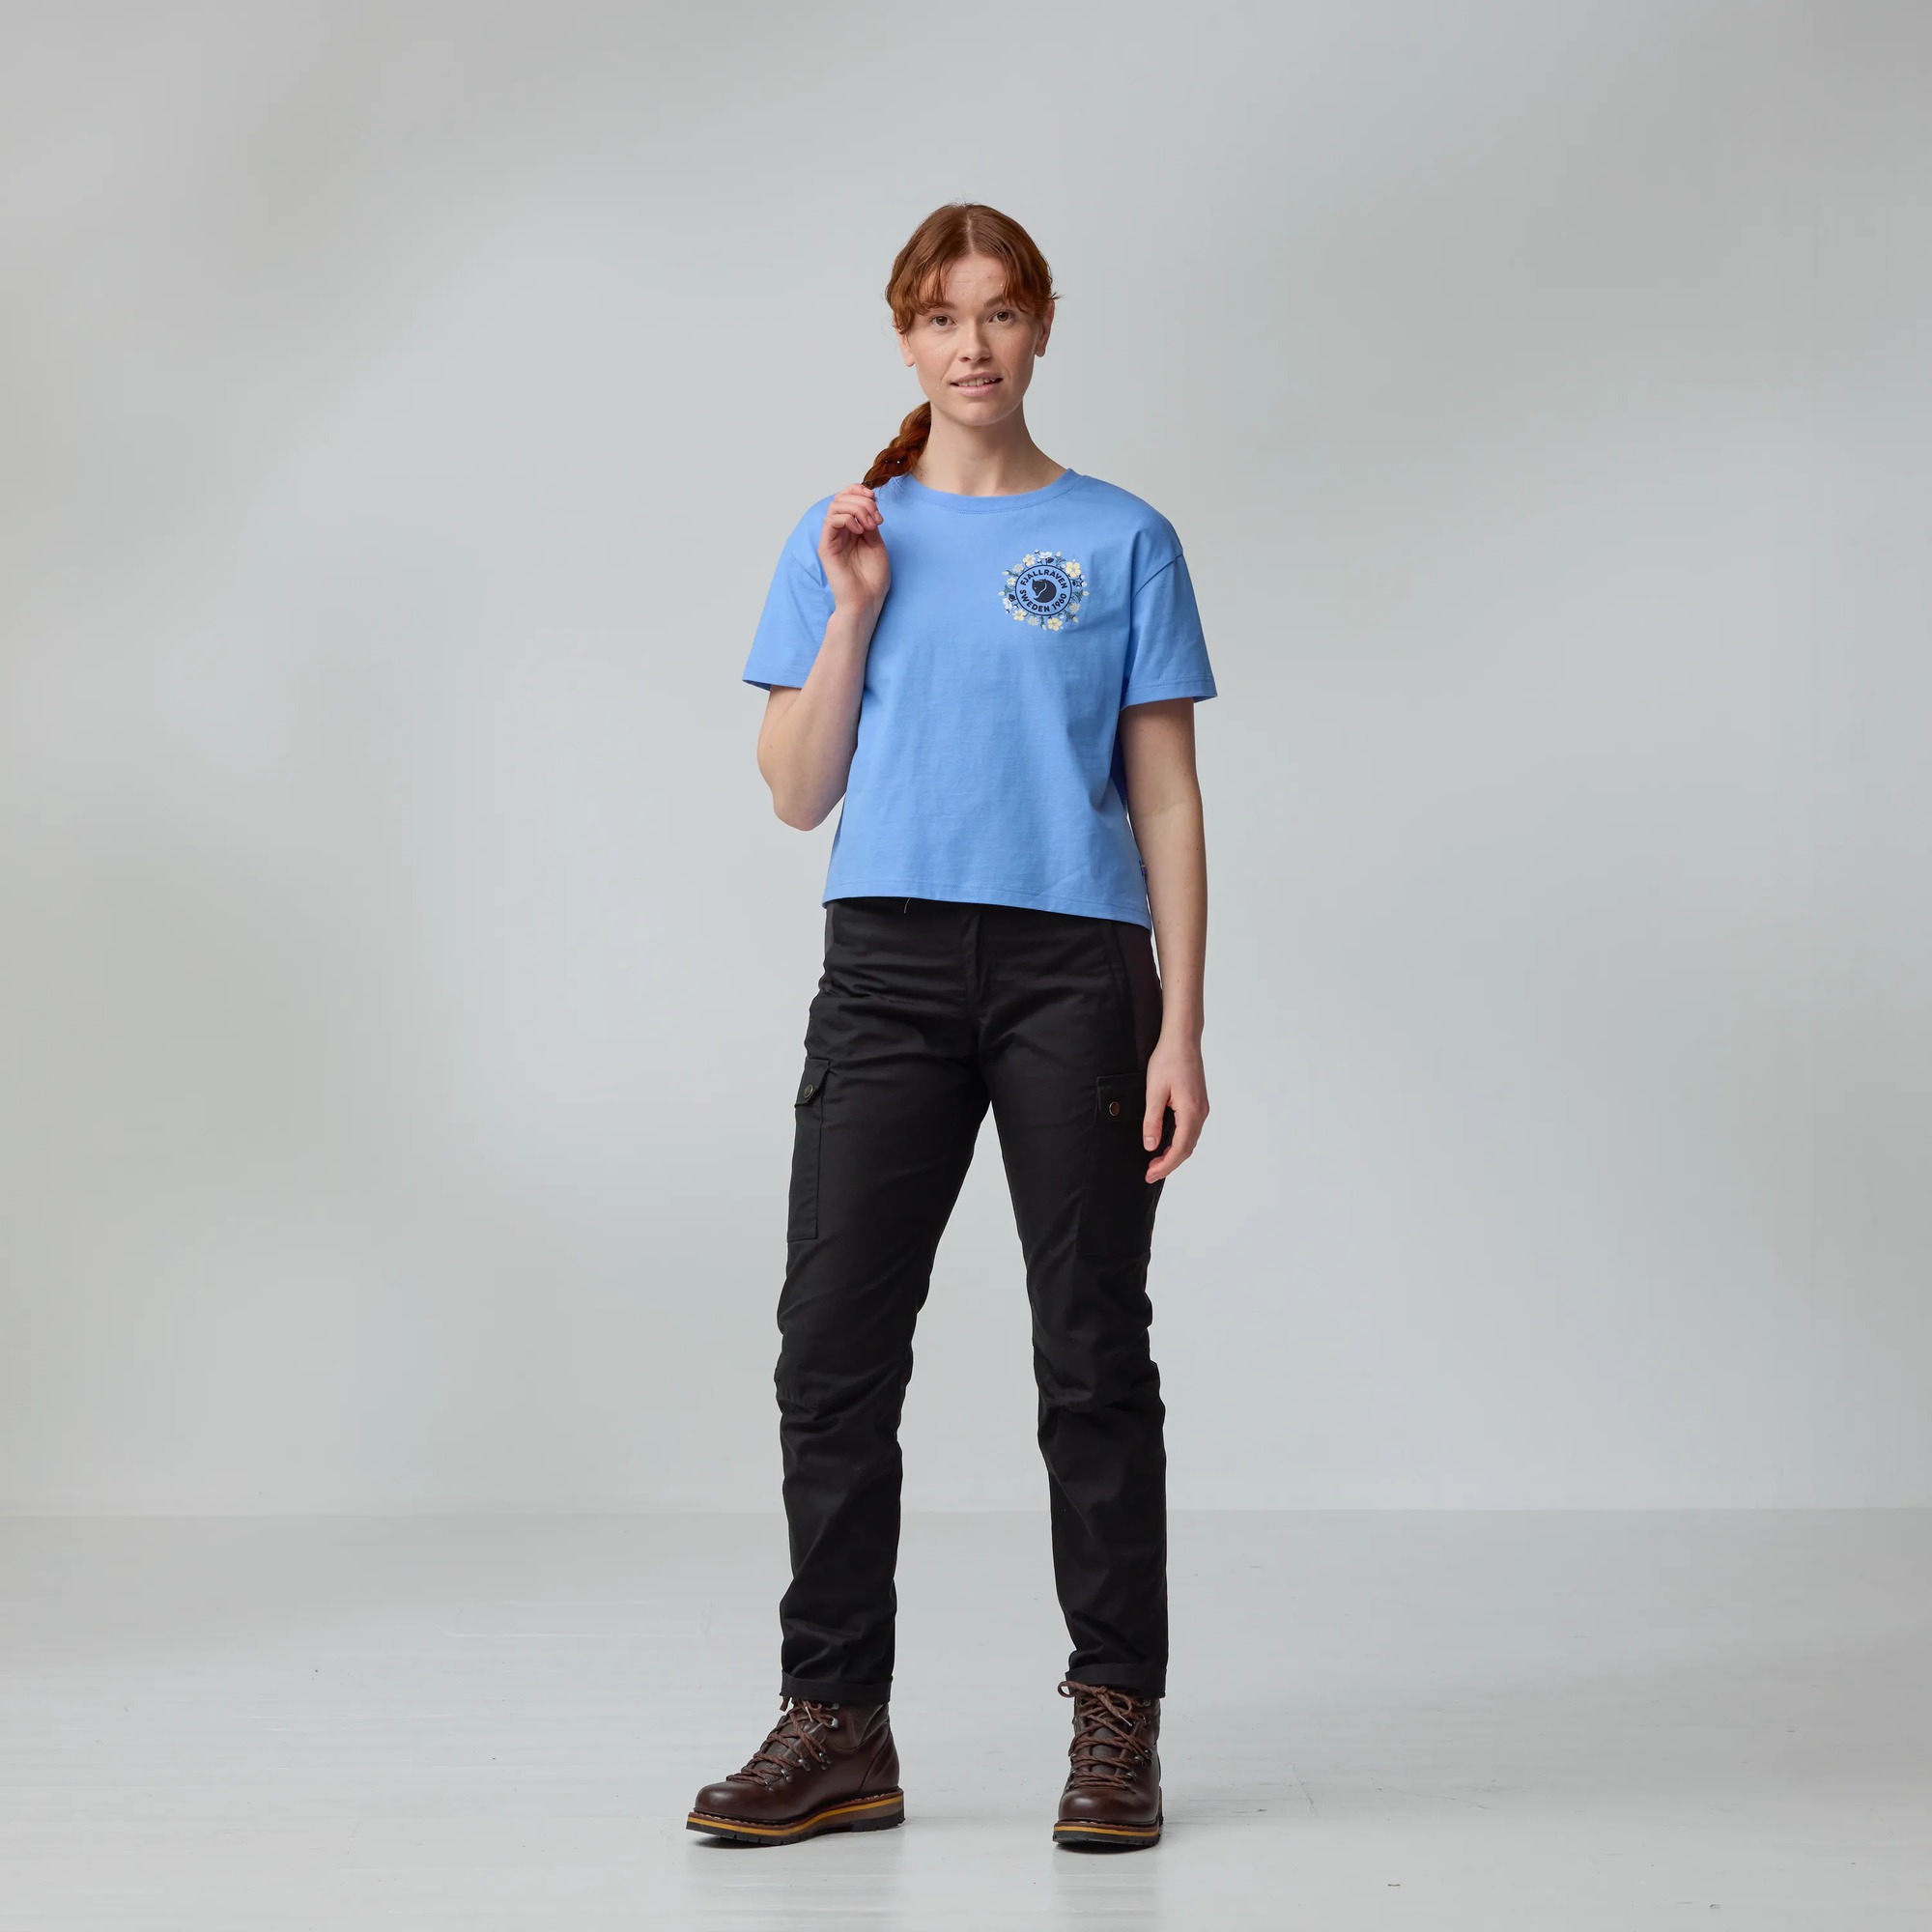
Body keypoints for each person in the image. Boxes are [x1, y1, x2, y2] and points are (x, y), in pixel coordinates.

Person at [685, 203, 1215, 1852]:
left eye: (997, 313)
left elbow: (1167, 797)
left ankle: (1115, 1719)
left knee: (1091, 1352)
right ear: (904, 338)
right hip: (890, 969)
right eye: (939, 317)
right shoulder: (848, 531)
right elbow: (797, 795)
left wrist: (1182, 1030)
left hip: (1076, 972)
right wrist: (852, 606)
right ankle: (837, 1722)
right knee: (831, 1350)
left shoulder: (1122, 537)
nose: (970, 346)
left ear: (1041, 326)